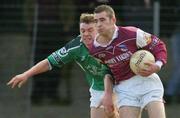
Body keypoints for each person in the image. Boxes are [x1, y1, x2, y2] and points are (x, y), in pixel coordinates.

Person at [7, 13, 117, 118]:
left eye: (90, 30)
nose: (86, 34)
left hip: (120, 85)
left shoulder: (113, 41)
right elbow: (49, 62)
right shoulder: (75, 47)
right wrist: (26, 74)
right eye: (82, 31)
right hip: (98, 88)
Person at [89, 5, 167, 118]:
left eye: (102, 20)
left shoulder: (132, 33)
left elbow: (158, 45)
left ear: (113, 20)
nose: (99, 24)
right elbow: (106, 71)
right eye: (96, 21)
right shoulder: (95, 50)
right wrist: (108, 94)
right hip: (125, 89)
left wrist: (158, 65)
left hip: (147, 81)